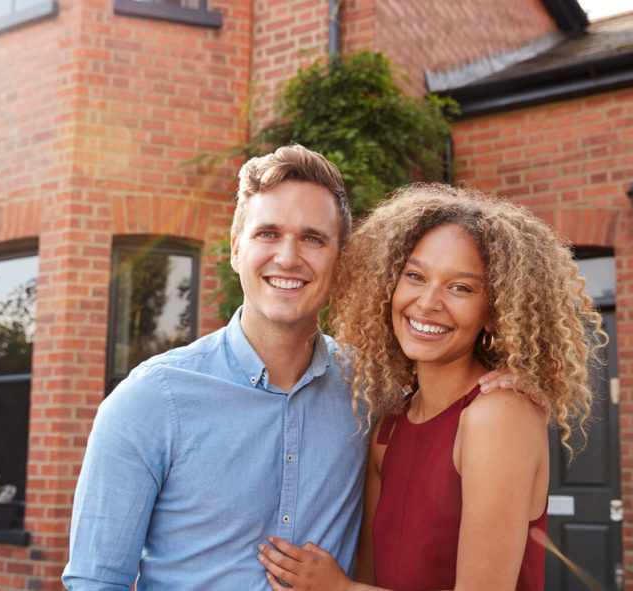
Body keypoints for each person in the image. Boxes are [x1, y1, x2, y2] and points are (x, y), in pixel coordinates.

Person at [62, 147, 517, 590]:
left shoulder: (373, 389)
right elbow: (95, 581)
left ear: (340, 262)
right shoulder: (150, 400)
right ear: (237, 250)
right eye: (268, 234)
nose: (288, 257)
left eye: (313, 238)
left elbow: (446, 394)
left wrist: (506, 374)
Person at [257, 183, 604, 591]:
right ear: (390, 286)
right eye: (415, 277)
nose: (428, 302)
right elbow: (375, 575)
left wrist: (339, 589)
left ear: (494, 312)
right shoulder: (388, 425)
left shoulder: (499, 415)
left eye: (461, 287)